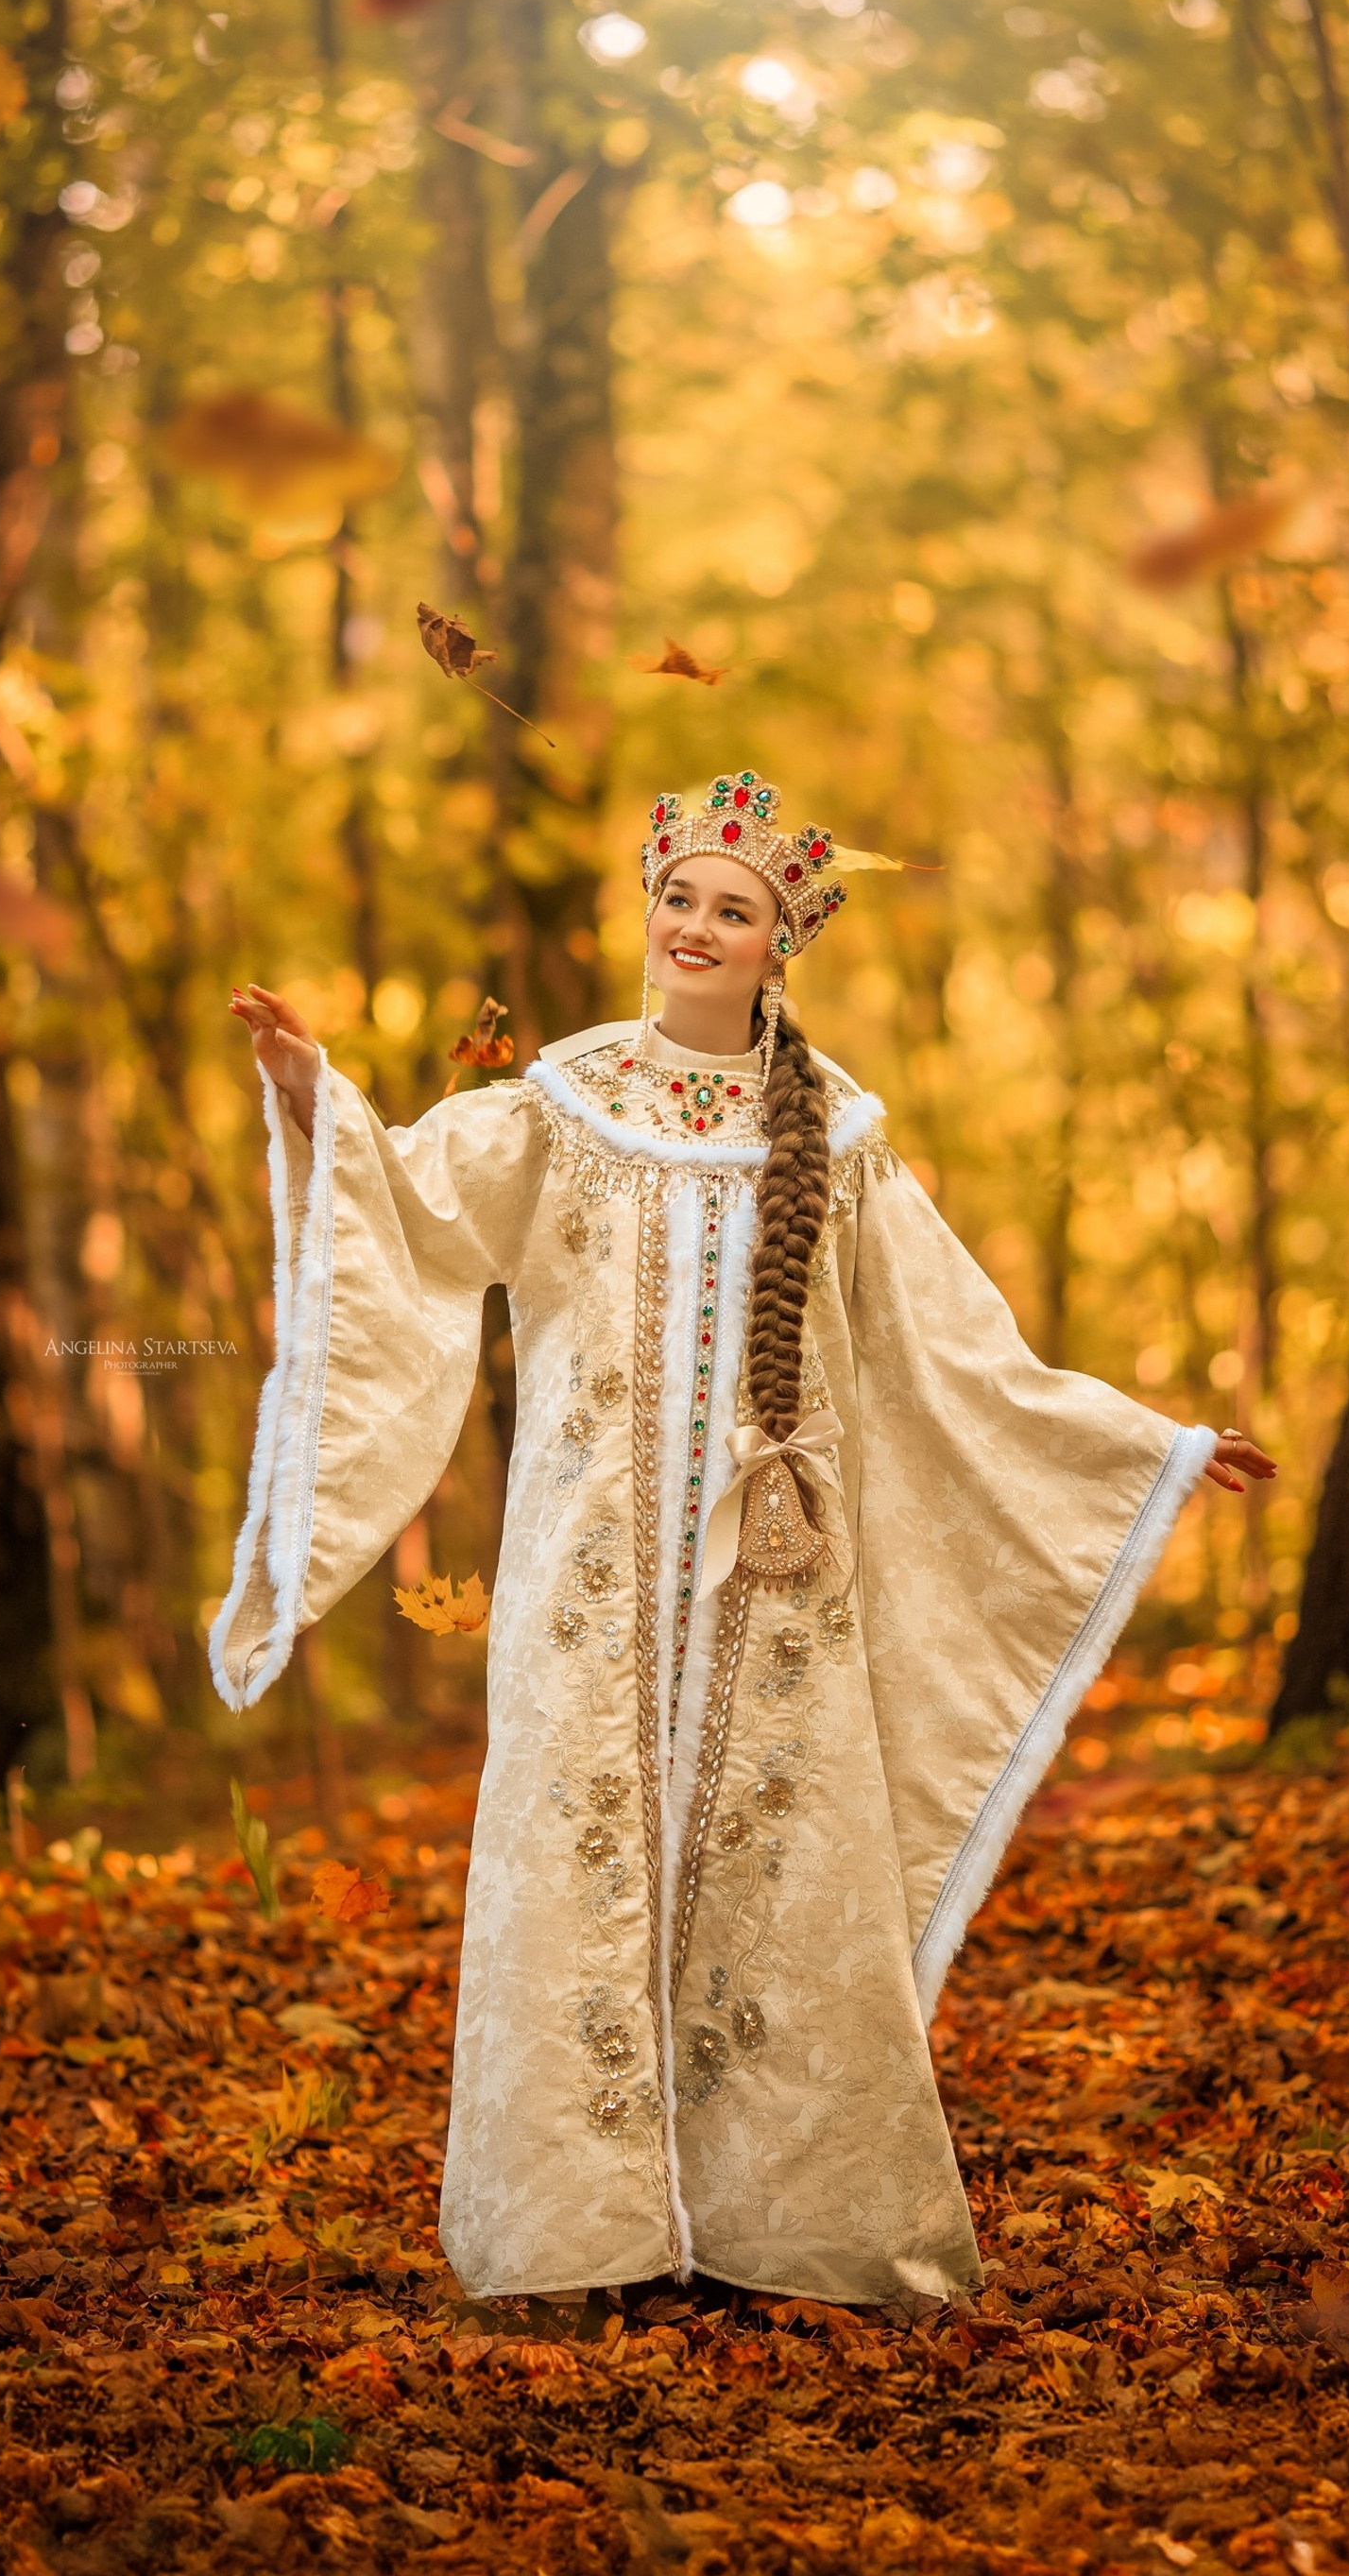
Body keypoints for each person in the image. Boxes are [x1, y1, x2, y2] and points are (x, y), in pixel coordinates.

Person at [218, 774, 1273, 2307]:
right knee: (578, 1856)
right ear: (649, 917)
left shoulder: (838, 1143)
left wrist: (1155, 1446)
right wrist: (318, 1092)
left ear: (780, 948)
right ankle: (581, 2231)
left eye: (737, 910)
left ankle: (777, 2222)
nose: (699, 925)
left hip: (780, 1590)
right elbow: (411, 1211)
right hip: (587, 1588)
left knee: (779, 1866)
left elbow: (958, 1355)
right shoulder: (566, 1104)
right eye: (683, 899)